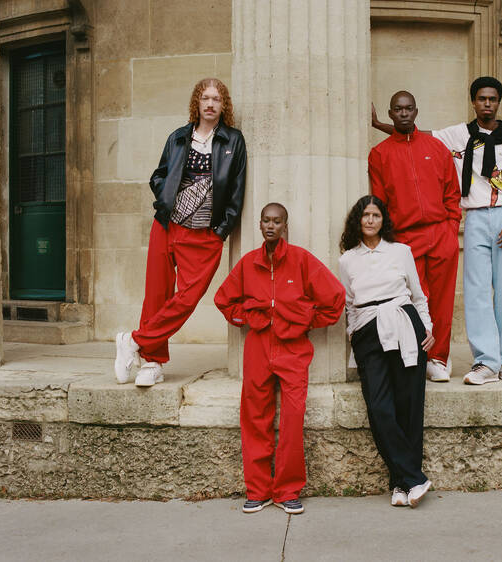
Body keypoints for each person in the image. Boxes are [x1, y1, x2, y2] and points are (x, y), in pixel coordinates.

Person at [373, 76, 502, 385]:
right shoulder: (459, 134)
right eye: (482, 98)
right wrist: (380, 125)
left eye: (493, 99)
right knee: (476, 293)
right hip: (474, 216)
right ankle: (485, 362)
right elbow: (415, 135)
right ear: (473, 101)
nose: (487, 103)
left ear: (499, 102)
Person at [114, 77, 246, 387]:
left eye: (216, 99)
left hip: (205, 235)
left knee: (187, 298)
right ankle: (152, 363)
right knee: (156, 296)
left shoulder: (233, 141)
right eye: (205, 98)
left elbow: (237, 190)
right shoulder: (178, 137)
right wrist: (167, 200)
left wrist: (222, 229)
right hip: (167, 225)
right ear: (197, 104)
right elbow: (158, 176)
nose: (211, 104)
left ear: (224, 105)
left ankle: (132, 342)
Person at [214, 203, 345, 515]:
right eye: (266, 221)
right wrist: (248, 315)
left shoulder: (301, 260)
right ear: (259, 225)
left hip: (293, 348)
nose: (271, 226)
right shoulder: (248, 263)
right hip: (258, 346)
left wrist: (304, 321)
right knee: (254, 417)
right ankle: (258, 490)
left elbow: (335, 299)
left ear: (285, 225)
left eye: (277, 221)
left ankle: (287, 490)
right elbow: (223, 299)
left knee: (292, 419)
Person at [338, 195, 434, 508]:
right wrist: (353, 334)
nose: (370, 220)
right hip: (368, 331)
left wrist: (428, 328)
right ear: (357, 219)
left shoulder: (401, 251)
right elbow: (349, 303)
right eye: (365, 215)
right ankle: (414, 478)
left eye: (375, 215)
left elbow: (418, 296)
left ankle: (399, 484)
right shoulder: (347, 259)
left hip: (406, 325)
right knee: (380, 407)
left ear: (383, 220)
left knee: (409, 406)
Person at [368, 91, 461, 383]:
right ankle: (418, 358)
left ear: (416, 112)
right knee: (413, 301)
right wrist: (391, 239)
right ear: (391, 113)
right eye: (398, 109)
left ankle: (438, 359)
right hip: (405, 238)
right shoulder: (380, 154)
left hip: (441, 233)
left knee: (443, 302)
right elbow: (379, 201)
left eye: (409, 108)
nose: (404, 113)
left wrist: (450, 227)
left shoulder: (436, 148)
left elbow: (452, 192)